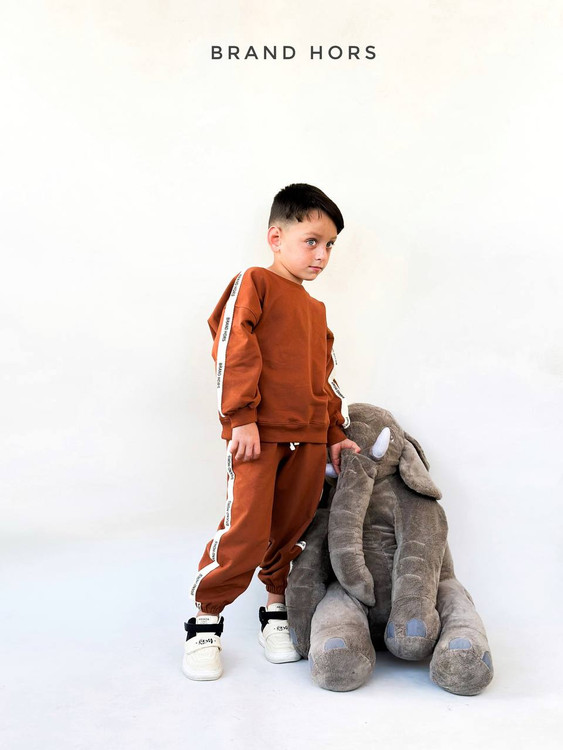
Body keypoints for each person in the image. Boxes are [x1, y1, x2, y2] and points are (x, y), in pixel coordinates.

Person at [183, 183, 361, 681]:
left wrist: (334, 433)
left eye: (330, 246)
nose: (321, 255)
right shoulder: (255, 282)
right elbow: (232, 346)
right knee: (246, 528)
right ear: (276, 237)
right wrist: (240, 416)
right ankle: (205, 622)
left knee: (292, 527)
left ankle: (275, 613)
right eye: (312, 241)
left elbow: (324, 376)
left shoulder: (316, 310)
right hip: (257, 435)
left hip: (309, 438)